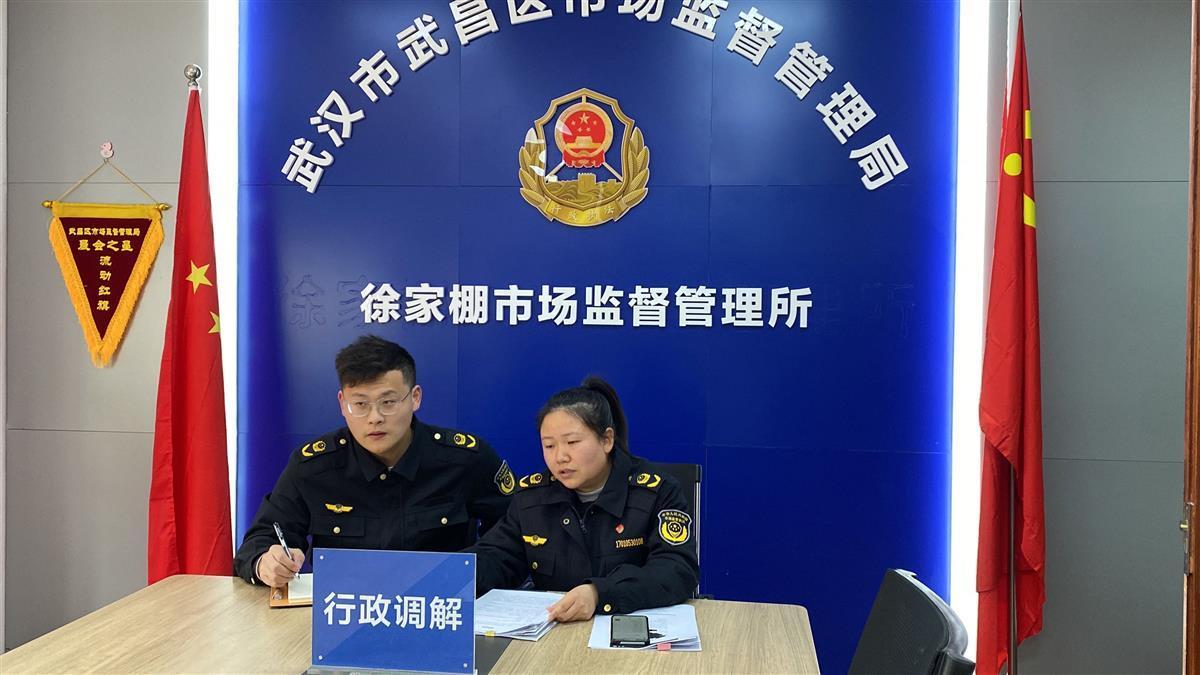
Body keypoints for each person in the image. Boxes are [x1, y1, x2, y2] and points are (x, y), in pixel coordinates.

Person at [234, 335, 514, 587]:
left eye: (388, 402)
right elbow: (259, 542)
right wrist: (266, 563)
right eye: (360, 404)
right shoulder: (314, 467)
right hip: (344, 613)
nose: (375, 418)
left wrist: (463, 576)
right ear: (342, 403)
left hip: (443, 610)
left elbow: (512, 538)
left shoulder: (465, 460)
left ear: (415, 398)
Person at [468, 376, 699, 623]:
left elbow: (677, 569)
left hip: (629, 628)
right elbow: (497, 557)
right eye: (549, 446)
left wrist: (600, 594)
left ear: (607, 440)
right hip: (555, 631)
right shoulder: (532, 498)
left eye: (572, 442)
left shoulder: (656, 492)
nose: (560, 457)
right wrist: (453, 574)